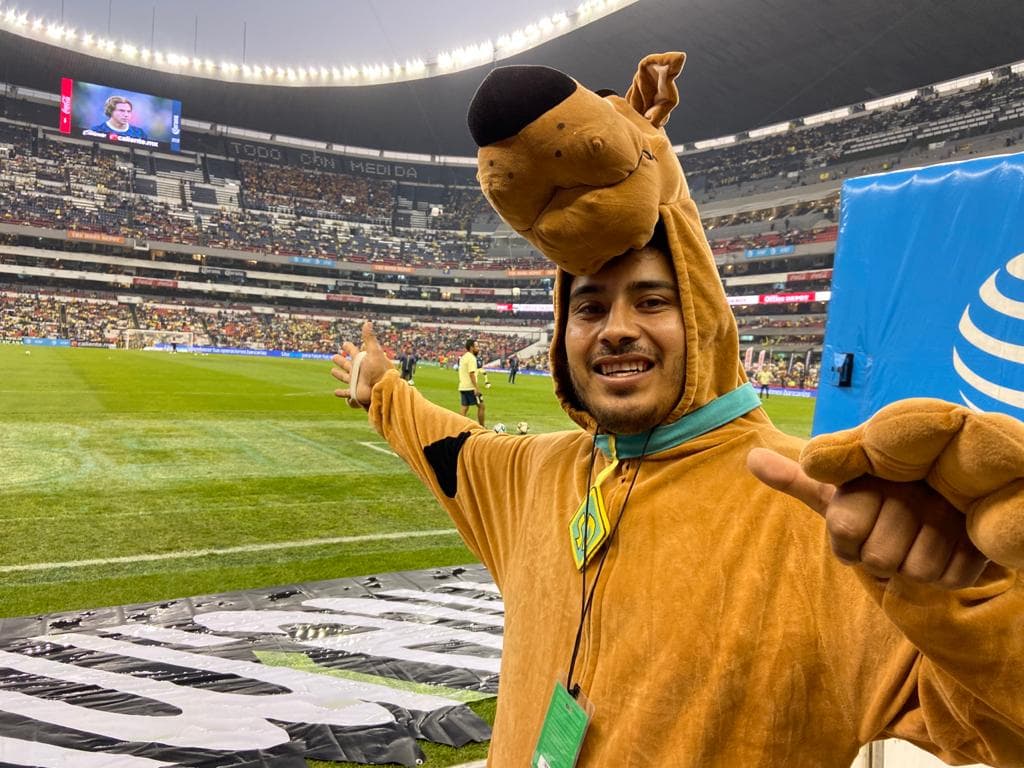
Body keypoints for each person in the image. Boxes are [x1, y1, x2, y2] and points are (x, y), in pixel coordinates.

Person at [331, 54, 1024, 767]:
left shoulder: (826, 510)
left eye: (653, 301)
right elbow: (445, 448)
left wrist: (977, 605)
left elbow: (997, 729)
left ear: (701, 316)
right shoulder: (531, 476)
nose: (617, 328)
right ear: (562, 333)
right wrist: (380, 389)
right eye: (590, 307)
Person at [457, 338, 485, 426]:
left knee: (464, 408)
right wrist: (476, 388)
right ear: (471, 347)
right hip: (470, 387)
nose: (478, 348)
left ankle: (458, 427)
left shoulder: (464, 357)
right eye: (476, 346)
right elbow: (471, 374)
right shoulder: (472, 358)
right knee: (481, 406)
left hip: (462, 386)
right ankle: (482, 427)